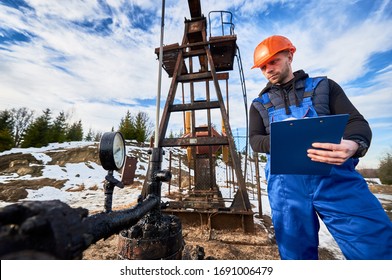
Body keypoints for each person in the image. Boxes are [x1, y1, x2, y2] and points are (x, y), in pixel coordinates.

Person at [249, 35, 392, 260]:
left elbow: (357, 123)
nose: (268, 70)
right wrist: (286, 138)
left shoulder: (324, 87)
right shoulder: (259, 104)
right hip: (287, 190)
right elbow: (255, 140)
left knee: (374, 248)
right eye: (263, 67)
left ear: (290, 55)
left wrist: (353, 144)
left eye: (273, 61)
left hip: (336, 181)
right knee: (296, 258)